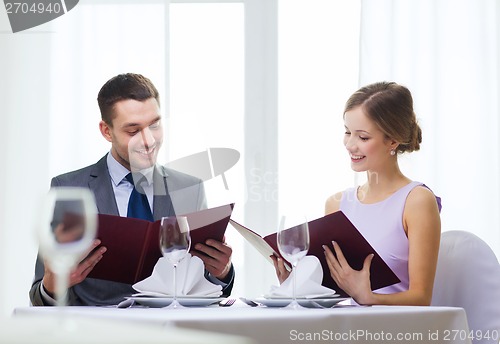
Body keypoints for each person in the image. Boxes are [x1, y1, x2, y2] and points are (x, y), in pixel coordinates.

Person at [30, 73, 235, 306]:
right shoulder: (68, 189)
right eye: (133, 130)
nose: (148, 141)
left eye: (155, 125)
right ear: (107, 131)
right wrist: (53, 285)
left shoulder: (190, 188)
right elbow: (39, 296)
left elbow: (204, 284)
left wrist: (222, 272)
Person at [273, 81, 441, 306]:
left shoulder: (417, 201)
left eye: (362, 137)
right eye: (347, 132)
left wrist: (369, 298)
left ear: (392, 140)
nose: (350, 145)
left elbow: (421, 298)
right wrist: (296, 286)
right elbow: (332, 290)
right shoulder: (336, 204)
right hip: (348, 330)